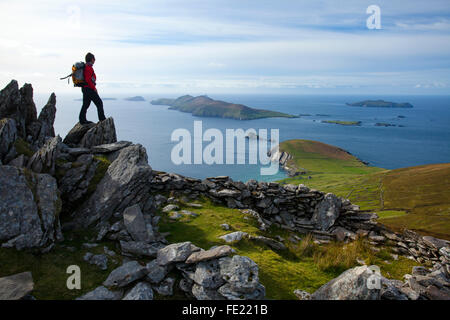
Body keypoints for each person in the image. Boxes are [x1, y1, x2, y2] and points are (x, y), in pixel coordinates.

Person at [79, 52, 106, 124]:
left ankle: (82, 120)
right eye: (94, 59)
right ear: (91, 59)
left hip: (85, 88)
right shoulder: (88, 68)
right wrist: (94, 88)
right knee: (99, 103)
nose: (95, 60)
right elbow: (88, 80)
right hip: (89, 89)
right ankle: (102, 119)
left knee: (86, 104)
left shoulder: (86, 67)